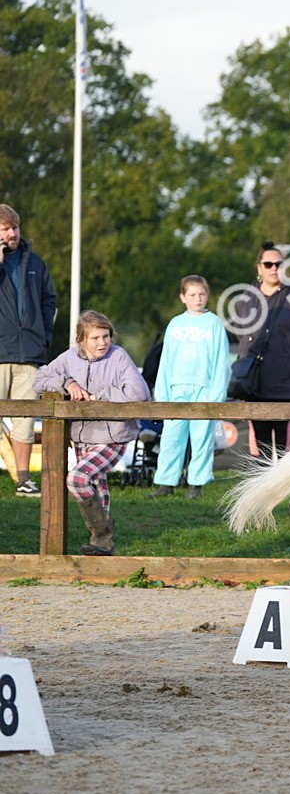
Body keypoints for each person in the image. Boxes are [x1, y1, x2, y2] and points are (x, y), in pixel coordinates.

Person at [32, 311, 150, 555]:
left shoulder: (118, 356)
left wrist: (102, 395)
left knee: (77, 479)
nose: (102, 343)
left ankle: (102, 534)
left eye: (105, 336)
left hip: (113, 434)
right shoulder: (68, 358)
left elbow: (139, 393)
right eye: (95, 338)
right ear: (82, 340)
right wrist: (67, 383)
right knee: (96, 485)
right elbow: (39, 379)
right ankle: (102, 545)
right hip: (83, 435)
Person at [233, 242, 290, 460]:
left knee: (284, 439)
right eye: (268, 264)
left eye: (278, 264)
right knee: (260, 437)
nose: (273, 268)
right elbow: (241, 336)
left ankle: (284, 485)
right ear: (259, 268)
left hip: (286, 382)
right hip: (256, 382)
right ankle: (262, 484)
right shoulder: (246, 299)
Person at [149, 276, 230, 499]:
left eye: (202, 294)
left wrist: (216, 394)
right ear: (183, 297)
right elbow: (166, 360)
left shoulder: (214, 323)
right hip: (176, 389)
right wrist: (162, 393)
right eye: (193, 295)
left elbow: (221, 361)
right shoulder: (175, 324)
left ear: (208, 295)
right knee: (171, 438)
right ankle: (166, 482)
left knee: (201, 438)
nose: (198, 299)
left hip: (203, 390)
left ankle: (197, 483)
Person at [0, 203, 58, 497]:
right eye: (5, 229)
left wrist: (44, 335)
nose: (11, 233)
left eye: (14, 228)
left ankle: (23, 480)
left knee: (25, 420)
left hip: (29, 353)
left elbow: (50, 300)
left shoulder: (35, 262)